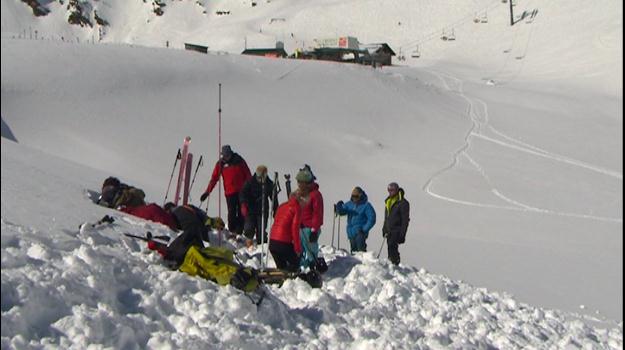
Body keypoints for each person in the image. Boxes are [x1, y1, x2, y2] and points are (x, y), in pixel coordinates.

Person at [200, 145, 252, 235]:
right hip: (229, 192)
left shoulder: (239, 160)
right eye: (224, 156)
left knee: (241, 211)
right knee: (231, 212)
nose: (226, 157)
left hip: (241, 191)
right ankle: (232, 230)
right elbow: (214, 178)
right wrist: (207, 192)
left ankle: (239, 231)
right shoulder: (221, 164)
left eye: (227, 155)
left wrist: (249, 189)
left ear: (231, 153)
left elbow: (248, 175)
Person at [295, 165, 324, 269]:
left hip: (309, 228)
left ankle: (313, 266)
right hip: (299, 226)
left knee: (311, 249)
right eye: (298, 182)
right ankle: (301, 266)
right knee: (299, 249)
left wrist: (314, 230)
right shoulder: (300, 194)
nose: (299, 184)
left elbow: (317, 213)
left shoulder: (315, 195)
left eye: (301, 182)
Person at [240, 165, 274, 247]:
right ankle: (249, 243)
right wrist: (243, 204)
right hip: (250, 208)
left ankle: (262, 245)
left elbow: (274, 198)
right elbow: (242, 193)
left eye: (263, 177)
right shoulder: (250, 182)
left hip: (262, 209)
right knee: (249, 228)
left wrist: (275, 210)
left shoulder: (269, 184)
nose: (261, 179)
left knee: (261, 230)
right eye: (259, 176)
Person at [335, 186, 376, 253]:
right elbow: (342, 211)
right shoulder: (349, 204)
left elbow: (372, 219)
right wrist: (338, 208)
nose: (354, 198)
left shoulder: (366, 205)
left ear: (360, 196)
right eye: (353, 196)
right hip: (350, 232)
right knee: (353, 251)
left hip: (360, 233)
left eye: (356, 196)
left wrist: (364, 229)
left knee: (361, 252)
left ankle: (364, 262)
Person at [269, 193, 302, 272]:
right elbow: (295, 229)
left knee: (281, 268)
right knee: (295, 263)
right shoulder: (297, 208)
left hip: (272, 241)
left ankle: (281, 280)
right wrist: (297, 249)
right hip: (283, 242)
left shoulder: (282, 206)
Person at [382, 182, 410, 265]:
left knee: (392, 246)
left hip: (397, 229)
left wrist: (402, 234)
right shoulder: (388, 201)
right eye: (389, 190)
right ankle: (392, 264)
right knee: (389, 247)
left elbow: (405, 220)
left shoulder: (403, 203)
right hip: (389, 229)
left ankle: (395, 264)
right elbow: (387, 217)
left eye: (392, 190)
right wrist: (384, 228)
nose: (390, 192)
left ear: (397, 190)